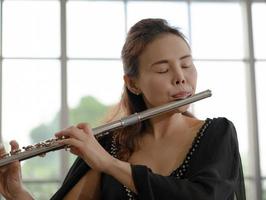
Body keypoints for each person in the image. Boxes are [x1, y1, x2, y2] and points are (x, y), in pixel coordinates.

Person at [0, 18, 246, 200]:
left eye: (187, 64)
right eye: (163, 69)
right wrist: (17, 193)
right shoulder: (109, 144)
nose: (181, 77)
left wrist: (108, 165)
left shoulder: (218, 132)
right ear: (133, 83)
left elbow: (204, 196)